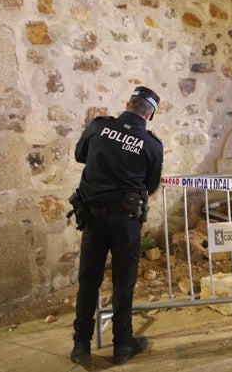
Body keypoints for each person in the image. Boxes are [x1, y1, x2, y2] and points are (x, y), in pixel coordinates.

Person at [69, 86, 163, 365]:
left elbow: (79, 155)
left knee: (88, 282)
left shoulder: (100, 127)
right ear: (150, 114)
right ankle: (122, 347)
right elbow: (151, 184)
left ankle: (81, 347)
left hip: (94, 217)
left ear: (128, 103)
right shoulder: (151, 144)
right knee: (124, 283)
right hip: (126, 221)